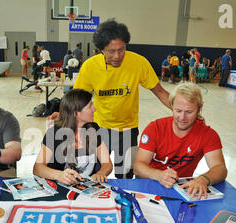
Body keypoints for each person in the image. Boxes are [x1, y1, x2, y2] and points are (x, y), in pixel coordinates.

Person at [48, 19, 172, 179]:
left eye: (121, 50)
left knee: (125, 175)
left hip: (127, 130)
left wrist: (182, 110)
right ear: (100, 50)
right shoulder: (90, 67)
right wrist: (62, 114)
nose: (117, 56)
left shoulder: (139, 63)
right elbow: (75, 99)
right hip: (99, 128)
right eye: (111, 51)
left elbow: (160, 92)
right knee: (94, 174)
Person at [134, 83, 227, 199]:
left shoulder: (208, 134)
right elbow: (138, 167)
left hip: (180, 189)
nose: (182, 117)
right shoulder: (155, 128)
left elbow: (220, 168)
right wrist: (159, 175)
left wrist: (203, 179)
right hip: (149, 183)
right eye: (178, 111)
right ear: (171, 106)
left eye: (189, 112)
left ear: (199, 109)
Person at [33, 89, 113, 184]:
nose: (94, 109)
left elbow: (107, 164)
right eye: (90, 106)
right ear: (75, 113)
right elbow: (38, 168)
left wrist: (101, 173)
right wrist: (59, 175)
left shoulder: (94, 129)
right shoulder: (54, 133)